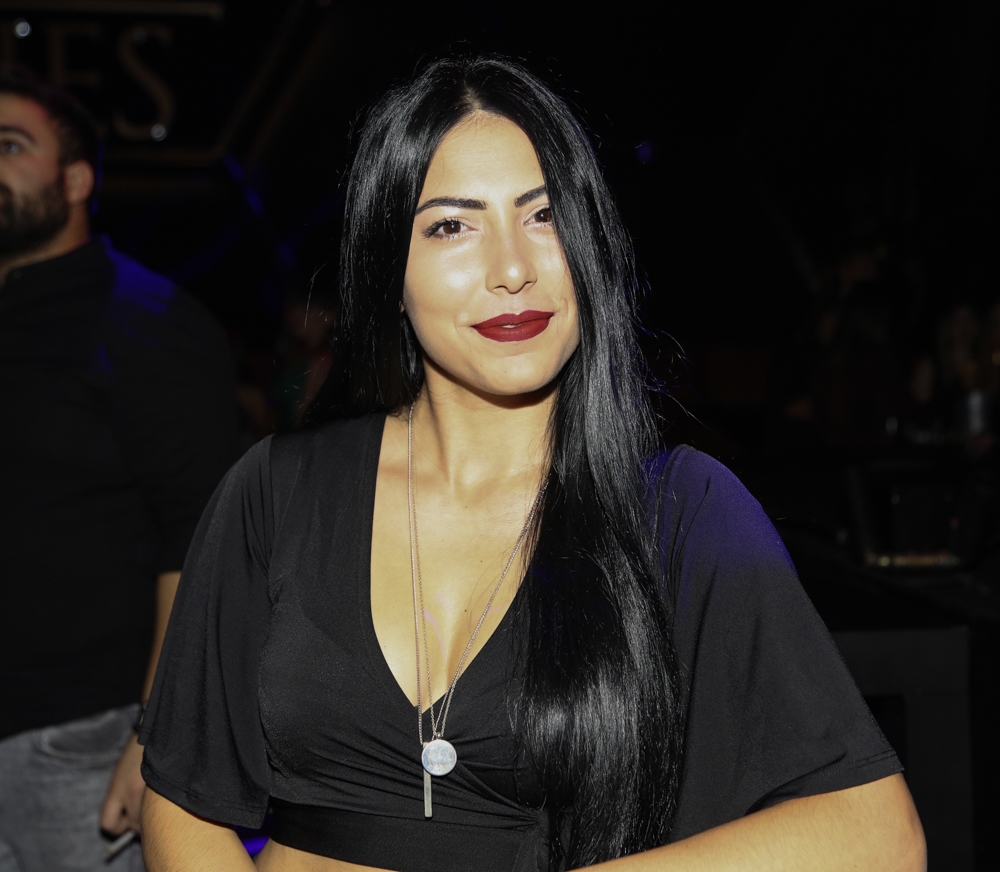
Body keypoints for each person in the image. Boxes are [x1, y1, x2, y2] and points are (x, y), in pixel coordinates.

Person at [139, 57, 925, 871]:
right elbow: (182, 804)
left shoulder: (679, 513)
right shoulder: (277, 492)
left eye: (544, 215)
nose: (513, 268)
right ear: (388, 271)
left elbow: (876, 834)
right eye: (452, 226)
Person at [0, 65, 237, 870]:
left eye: (10, 145)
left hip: (81, 746)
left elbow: (205, 537)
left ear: (75, 179)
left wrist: (156, 736)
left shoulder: (145, 320)